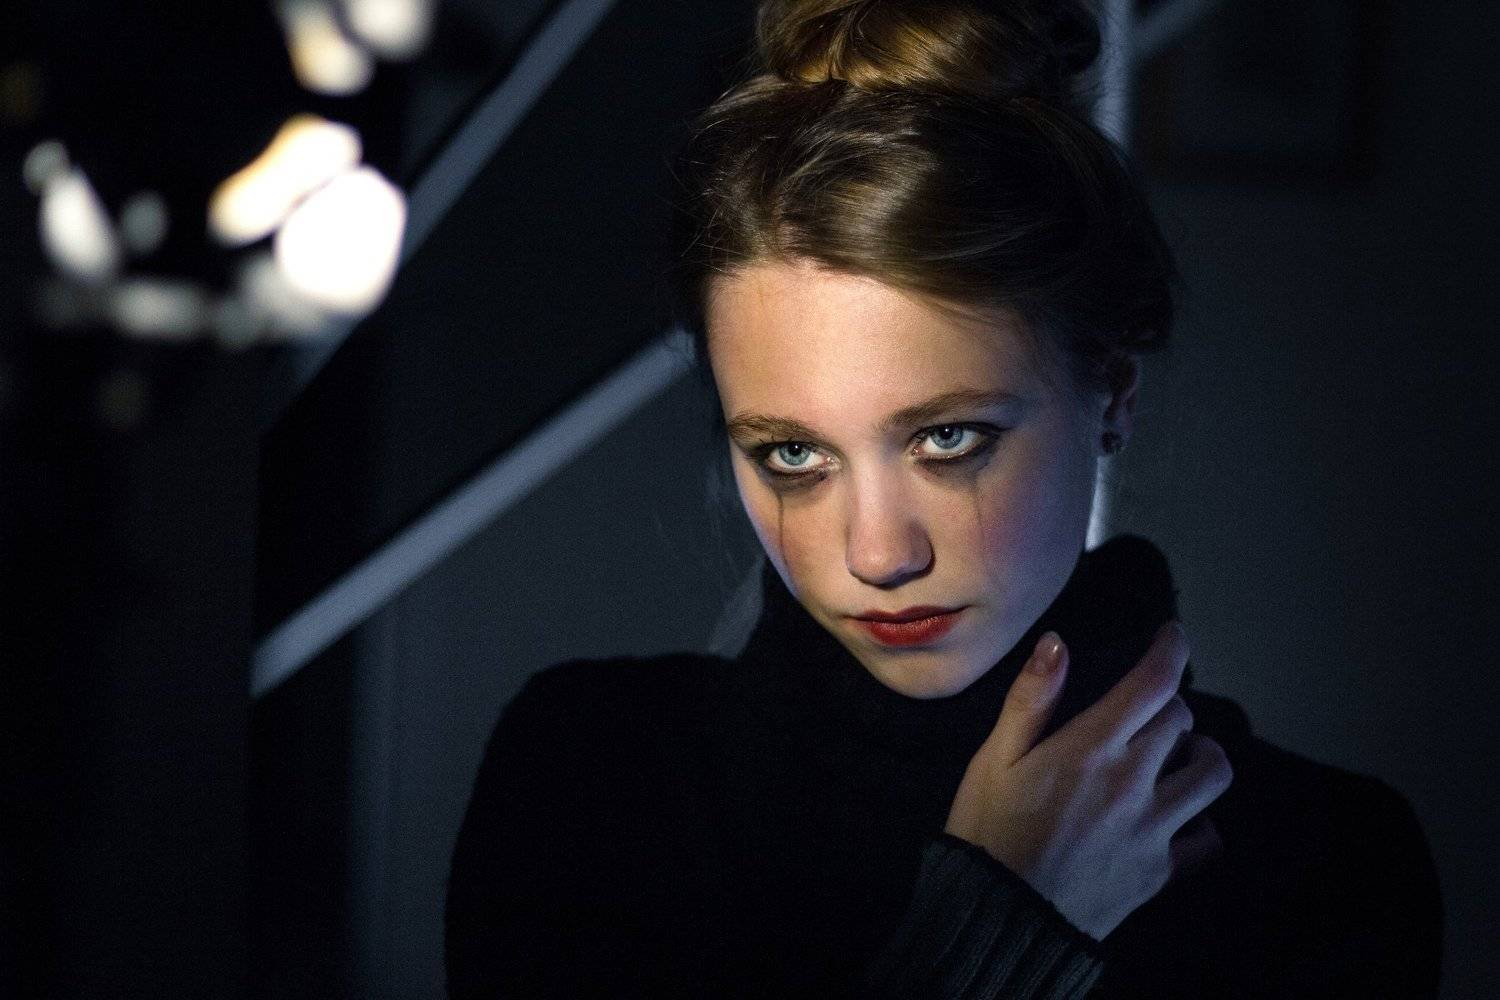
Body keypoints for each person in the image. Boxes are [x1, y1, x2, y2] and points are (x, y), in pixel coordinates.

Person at [444, 1, 1444, 996]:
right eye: (793, 453)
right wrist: (1002, 926)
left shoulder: (1326, 864)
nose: (878, 556)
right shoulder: (584, 780)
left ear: (1110, 394)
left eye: (948, 439)